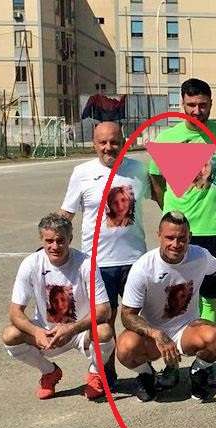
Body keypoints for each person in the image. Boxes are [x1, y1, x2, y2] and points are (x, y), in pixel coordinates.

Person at [115, 212, 216, 402]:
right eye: (170, 238)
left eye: (182, 238)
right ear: (159, 235)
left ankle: (198, 372)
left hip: (186, 331)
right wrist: (155, 333)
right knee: (125, 348)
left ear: (189, 237)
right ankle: (146, 374)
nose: (176, 244)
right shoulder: (143, 268)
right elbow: (127, 315)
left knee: (215, 338)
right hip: (153, 336)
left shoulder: (199, 255)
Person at [61, 121, 153, 388]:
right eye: (103, 142)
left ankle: (144, 371)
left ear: (124, 142)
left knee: (140, 319)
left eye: (114, 142)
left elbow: (162, 196)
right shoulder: (82, 172)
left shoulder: (138, 169)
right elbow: (67, 213)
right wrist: (50, 244)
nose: (109, 147)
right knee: (104, 322)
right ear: (94, 144)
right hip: (98, 263)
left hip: (135, 260)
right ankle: (106, 373)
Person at [147, 78, 216, 325]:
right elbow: (155, 180)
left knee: (209, 297)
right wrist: (171, 210)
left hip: (213, 230)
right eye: (191, 105)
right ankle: (177, 343)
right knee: (177, 295)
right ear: (182, 104)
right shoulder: (167, 138)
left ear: (211, 103)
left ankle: (206, 347)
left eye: (203, 105)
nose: (197, 111)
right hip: (179, 232)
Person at [2, 213, 114, 400]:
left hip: (79, 332)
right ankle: (49, 371)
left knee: (104, 331)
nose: (55, 246)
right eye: (49, 241)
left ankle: (95, 373)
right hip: (46, 332)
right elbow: (15, 312)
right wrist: (37, 332)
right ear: (41, 239)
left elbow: (104, 310)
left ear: (70, 238)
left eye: (60, 240)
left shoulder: (86, 263)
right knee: (10, 334)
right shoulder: (31, 264)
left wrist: (72, 329)